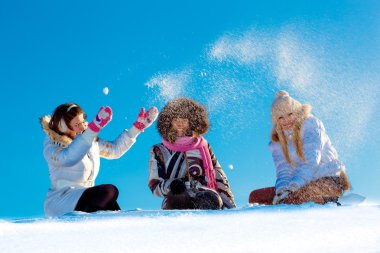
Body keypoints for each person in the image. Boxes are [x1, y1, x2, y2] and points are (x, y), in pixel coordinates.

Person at [40, 102, 158, 217]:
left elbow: (114, 150)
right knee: (108, 192)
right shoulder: (53, 146)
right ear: (63, 127)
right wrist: (92, 129)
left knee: (112, 205)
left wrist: (136, 128)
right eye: (76, 125)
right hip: (62, 201)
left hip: (87, 198)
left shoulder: (90, 141)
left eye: (82, 122)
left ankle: (121, 225)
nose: (82, 127)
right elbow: (69, 157)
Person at [249, 91, 349, 205]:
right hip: (299, 184)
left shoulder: (311, 126)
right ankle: (292, 200)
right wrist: (281, 191)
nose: (286, 120)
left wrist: (293, 187)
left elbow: (311, 160)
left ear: (296, 112)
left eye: (290, 114)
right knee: (255, 197)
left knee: (295, 199)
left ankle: (331, 202)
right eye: (281, 117)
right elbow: (284, 170)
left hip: (329, 178)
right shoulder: (278, 142)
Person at [148, 97, 235, 210]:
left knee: (211, 199)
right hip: (175, 198)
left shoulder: (203, 146)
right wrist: (172, 186)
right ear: (168, 121)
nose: (180, 122)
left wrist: (230, 208)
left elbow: (218, 175)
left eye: (184, 118)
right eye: (175, 118)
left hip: (205, 195)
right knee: (177, 203)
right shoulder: (158, 150)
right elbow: (154, 184)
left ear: (192, 121)